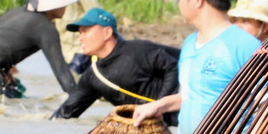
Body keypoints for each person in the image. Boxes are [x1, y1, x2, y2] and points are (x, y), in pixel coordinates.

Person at [133, 0, 261, 134]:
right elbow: (195, 95)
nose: (179, 3)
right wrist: (159, 106)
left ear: (197, 0)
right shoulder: (189, 43)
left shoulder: (245, 46)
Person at [50, 8, 180, 120]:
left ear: (107, 32)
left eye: (85, 31)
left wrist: (159, 106)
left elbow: (173, 68)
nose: (80, 38)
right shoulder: (93, 76)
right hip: (154, 124)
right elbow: (64, 114)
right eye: (80, 33)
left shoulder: (139, 50)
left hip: (183, 113)